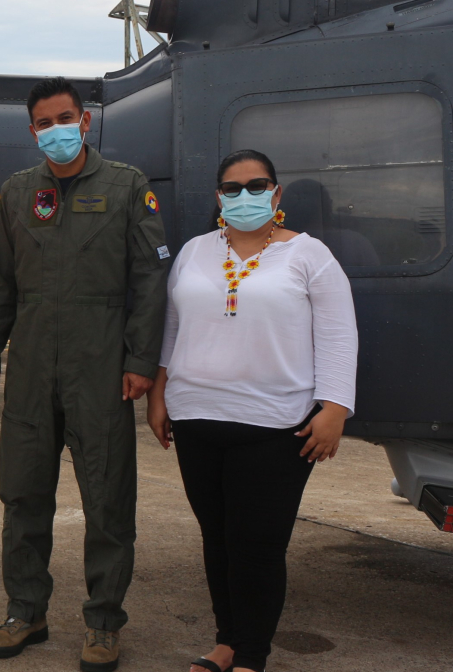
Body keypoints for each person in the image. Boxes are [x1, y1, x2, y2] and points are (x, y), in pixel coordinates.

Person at [0, 77, 171, 672]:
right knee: (23, 494)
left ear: (84, 121)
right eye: (43, 122)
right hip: (32, 366)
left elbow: (148, 281)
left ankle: (104, 623)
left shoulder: (127, 186)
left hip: (102, 367)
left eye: (65, 118)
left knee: (108, 500)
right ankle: (25, 611)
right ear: (32, 130)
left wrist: (139, 361)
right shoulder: (17, 193)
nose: (55, 130)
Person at [146, 149, 358, 672]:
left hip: (274, 426)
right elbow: (173, 329)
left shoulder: (310, 256)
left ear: (276, 193)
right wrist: (159, 393)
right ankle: (226, 641)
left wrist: (335, 408)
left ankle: (252, 656)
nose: (245, 197)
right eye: (233, 188)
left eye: (257, 186)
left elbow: (337, 335)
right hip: (195, 417)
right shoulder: (194, 252)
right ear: (219, 197)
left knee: (257, 546)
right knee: (216, 539)